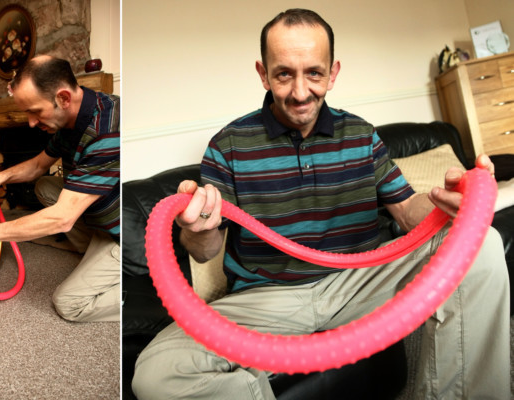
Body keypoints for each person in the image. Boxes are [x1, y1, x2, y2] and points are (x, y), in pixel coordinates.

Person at [132, 9, 510, 400]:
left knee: (481, 245)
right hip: (266, 299)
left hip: (359, 281)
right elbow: (206, 249)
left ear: (333, 73)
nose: (299, 92)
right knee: (158, 375)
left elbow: (406, 209)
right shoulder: (227, 146)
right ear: (263, 73)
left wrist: (449, 210)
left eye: (314, 73)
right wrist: (198, 230)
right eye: (283, 74)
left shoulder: (362, 135)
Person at [0, 55, 120, 323]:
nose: (30, 122)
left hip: (130, 235)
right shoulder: (71, 117)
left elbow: (62, 218)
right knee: (46, 186)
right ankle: (93, 254)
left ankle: (132, 280)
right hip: (107, 212)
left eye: (35, 111)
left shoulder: (106, 132)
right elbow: (39, 165)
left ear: (63, 98)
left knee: (69, 303)